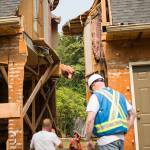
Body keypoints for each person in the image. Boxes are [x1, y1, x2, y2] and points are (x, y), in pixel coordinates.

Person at [85, 74, 136, 150]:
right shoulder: (120, 95)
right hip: (121, 139)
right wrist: (126, 129)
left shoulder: (96, 96)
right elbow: (133, 114)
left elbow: (90, 120)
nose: (92, 91)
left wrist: (88, 139)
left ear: (93, 84)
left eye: (91, 88)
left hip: (106, 142)